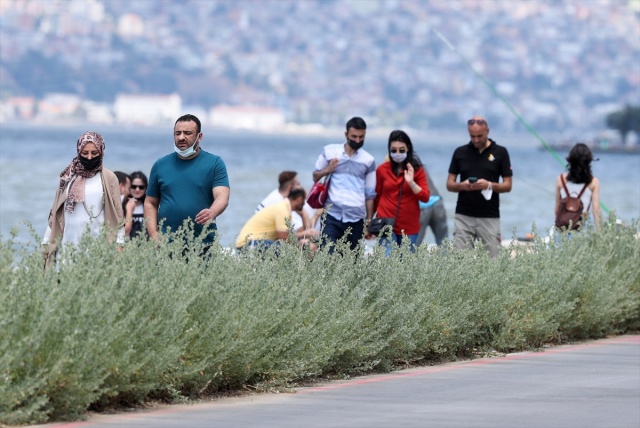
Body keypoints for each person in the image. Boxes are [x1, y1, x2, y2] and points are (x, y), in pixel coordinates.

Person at [145, 114, 230, 250]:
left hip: (203, 244)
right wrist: (154, 234)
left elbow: (222, 196)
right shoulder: (160, 165)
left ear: (199, 137)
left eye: (187, 133)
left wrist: (212, 212)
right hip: (166, 245)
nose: (181, 137)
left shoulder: (214, 163)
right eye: (177, 133)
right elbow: (150, 203)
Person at [42, 131, 124, 269]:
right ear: (78, 151)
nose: (90, 157)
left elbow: (118, 216)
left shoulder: (109, 178)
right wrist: (46, 241)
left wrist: (120, 244)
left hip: (96, 251)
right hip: (66, 249)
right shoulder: (67, 177)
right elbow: (55, 213)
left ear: (102, 152)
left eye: (94, 153)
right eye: (85, 153)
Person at [446, 116, 513, 258]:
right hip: (463, 215)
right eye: (472, 136)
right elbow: (449, 184)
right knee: (460, 263)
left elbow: (508, 185)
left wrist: (489, 185)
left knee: (492, 262)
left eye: (480, 136)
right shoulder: (460, 152)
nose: (476, 140)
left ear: (487, 131)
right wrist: (462, 185)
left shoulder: (500, 152)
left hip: (489, 216)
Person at [312, 117, 376, 253]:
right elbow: (315, 176)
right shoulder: (330, 152)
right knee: (327, 258)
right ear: (346, 134)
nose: (357, 140)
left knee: (350, 263)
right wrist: (328, 170)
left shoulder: (368, 160)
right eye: (354, 136)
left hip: (356, 219)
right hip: (331, 216)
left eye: (361, 137)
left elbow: (370, 195)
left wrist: (368, 222)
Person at [373, 130, 430, 255]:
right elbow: (376, 197)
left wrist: (411, 182)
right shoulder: (382, 169)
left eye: (401, 150)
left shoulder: (417, 170)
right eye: (394, 150)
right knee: (388, 263)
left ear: (408, 149)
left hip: (409, 227)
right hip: (385, 224)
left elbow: (425, 197)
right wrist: (368, 222)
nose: (397, 153)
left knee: (404, 268)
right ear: (389, 150)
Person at [236, 188, 313, 251]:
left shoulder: (283, 207)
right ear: (299, 200)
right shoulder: (282, 209)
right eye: (304, 202)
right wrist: (302, 238)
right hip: (250, 243)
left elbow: (291, 235)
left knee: (293, 247)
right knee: (287, 251)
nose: (304, 205)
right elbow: (284, 237)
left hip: (248, 243)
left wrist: (304, 215)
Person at [255, 171, 318, 240]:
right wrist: (312, 214)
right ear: (290, 188)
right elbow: (298, 231)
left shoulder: (276, 195)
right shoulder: (282, 203)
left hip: (262, 238)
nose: (301, 187)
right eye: (298, 184)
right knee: (308, 244)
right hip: (261, 240)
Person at [554, 143, 601, 231]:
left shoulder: (560, 179)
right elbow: (596, 210)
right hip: (582, 229)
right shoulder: (594, 182)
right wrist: (600, 232)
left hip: (562, 229)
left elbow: (557, 209)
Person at [417, 171, 448, 246]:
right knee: (443, 242)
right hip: (437, 202)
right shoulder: (420, 166)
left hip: (421, 207)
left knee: (414, 244)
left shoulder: (400, 168)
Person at [124, 171, 148, 239]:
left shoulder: (150, 207)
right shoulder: (122, 206)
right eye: (133, 186)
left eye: (141, 187)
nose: (137, 190)